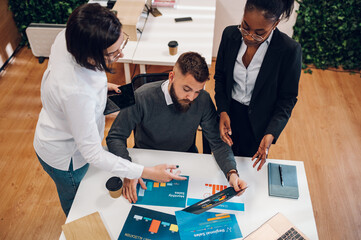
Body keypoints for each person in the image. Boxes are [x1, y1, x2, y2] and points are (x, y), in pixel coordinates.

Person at [33, 3, 185, 216]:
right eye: (113, 53)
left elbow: (74, 84)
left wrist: (101, 88)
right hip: (66, 157)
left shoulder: (67, 37)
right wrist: (148, 172)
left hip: (59, 121)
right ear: (90, 56)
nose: (120, 55)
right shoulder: (77, 92)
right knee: (78, 208)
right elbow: (93, 153)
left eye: (122, 43)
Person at [106, 52, 247, 203]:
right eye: (186, 89)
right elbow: (115, 137)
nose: (191, 98)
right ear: (171, 77)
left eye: (197, 91)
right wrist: (130, 171)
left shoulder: (203, 99)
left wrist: (232, 173)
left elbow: (218, 143)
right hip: (146, 163)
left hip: (185, 161)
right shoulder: (141, 96)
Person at [214, 0, 301, 171]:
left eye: (259, 33)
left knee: (246, 175)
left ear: (275, 24)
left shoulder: (289, 51)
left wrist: (271, 132)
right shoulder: (229, 35)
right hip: (227, 115)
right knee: (218, 169)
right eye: (245, 27)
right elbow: (220, 78)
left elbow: (287, 99)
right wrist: (222, 110)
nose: (248, 36)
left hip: (257, 125)